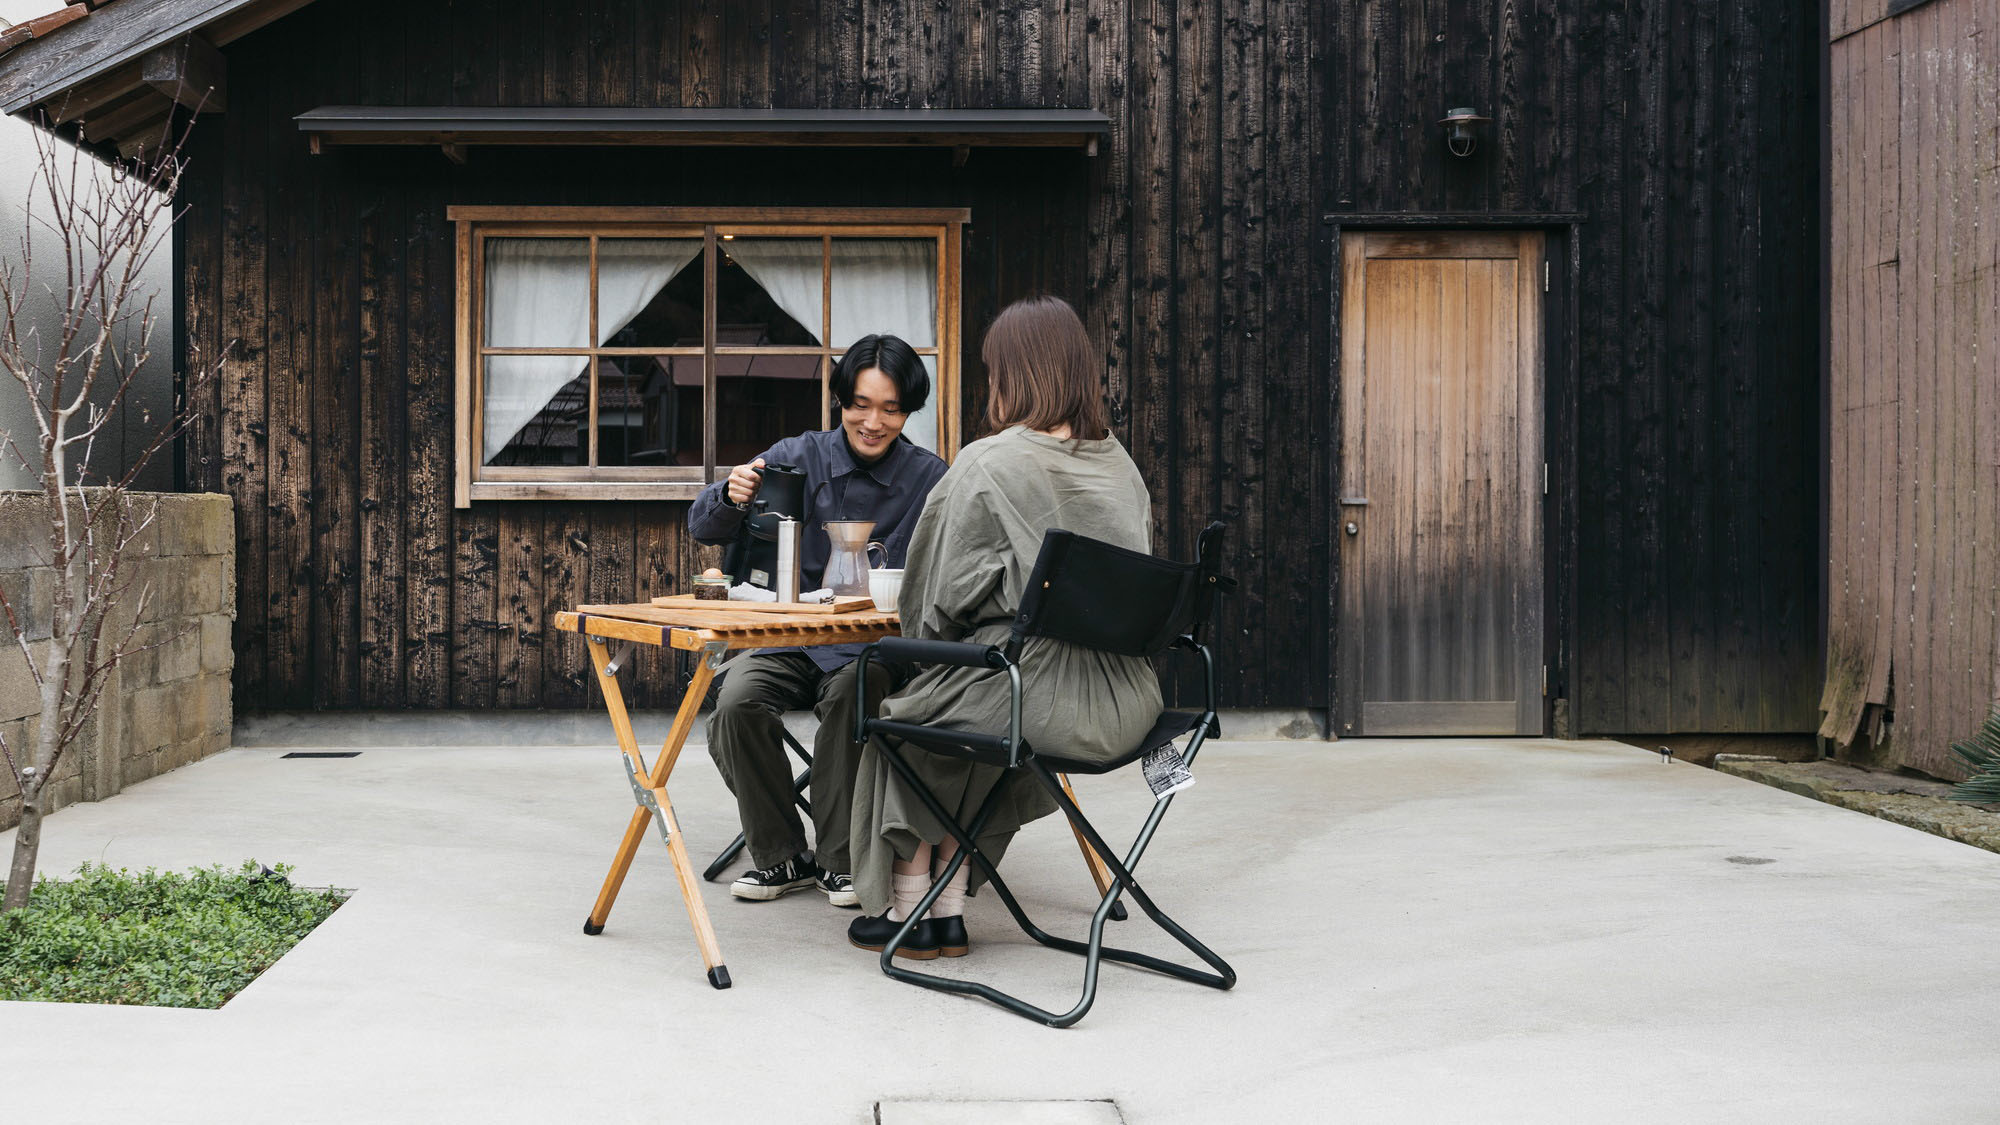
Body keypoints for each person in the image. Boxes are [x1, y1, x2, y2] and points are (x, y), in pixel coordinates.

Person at [846, 296, 1162, 959]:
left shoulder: (990, 465)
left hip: (1042, 699)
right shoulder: (1122, 468)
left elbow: (932, 607)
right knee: (981, 714)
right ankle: (952, 909)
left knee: (915, 721)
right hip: (1132, 701)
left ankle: (915, 911)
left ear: (1011, 373)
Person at [688, 334, 948, 907]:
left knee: (855, 694)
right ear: (840, 401)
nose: (873, 421)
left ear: (908, 411)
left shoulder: (931, 479)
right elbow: (703, 527)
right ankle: (782, 857)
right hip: (787, 641)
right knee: (736, 702)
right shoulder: (795, 455)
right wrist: (731, 496)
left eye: (890, 408)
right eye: (860, 404)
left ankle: (841, 859)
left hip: (871, 650)